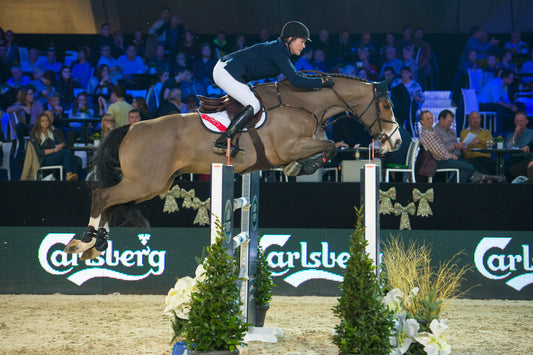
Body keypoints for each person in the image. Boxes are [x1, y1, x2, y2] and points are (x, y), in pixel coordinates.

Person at [211, 21, 334, 155]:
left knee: (258, 102)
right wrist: (321, 81)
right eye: (302, 41)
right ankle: (223, 141)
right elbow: (296, 80)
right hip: (225, 72)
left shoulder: (280, 50)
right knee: (254, 104)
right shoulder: (279, 52)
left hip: (232, 72)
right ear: (290, 39)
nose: (303, 46)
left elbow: (294, 78)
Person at [418, 110, 474, 183]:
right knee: (469, 168)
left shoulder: (431, 132)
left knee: (470, 164)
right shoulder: (428, 134)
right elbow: (438, 152)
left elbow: (440, 149)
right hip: (438, 161)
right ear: (422, 121)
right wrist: (450, 156)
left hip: (443, 158)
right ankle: (452, 187)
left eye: (431, 118)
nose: (430, 120)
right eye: (427, 119)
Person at [29, 112, 79, 181]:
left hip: (52, 156)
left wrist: (60, 145)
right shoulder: (36, 134)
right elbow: (39, 152)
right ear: (39, 122)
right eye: (43, 121)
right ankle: (68, 175)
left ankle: (70, 180)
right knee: (66, 152)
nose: (45, 122)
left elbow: (63, 142)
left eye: (47, 120)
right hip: (42, 159)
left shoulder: (50, 133)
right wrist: (54, 150)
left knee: (74, 160)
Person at [460, 111, 497, 176]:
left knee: (497, 167)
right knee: (480, 167)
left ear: (480, 119)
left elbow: (492, 143)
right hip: (472, 159)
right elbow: (464, 146)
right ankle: (488, 179)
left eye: (477, 118)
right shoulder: (464, 132)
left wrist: (479, 140)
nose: (475, 120)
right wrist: (481, 143)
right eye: (473, 118)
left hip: (486, 159)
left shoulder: (486, 132)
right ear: (469, 120)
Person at [505, 111, 533, 180]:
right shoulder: (511, 135)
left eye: (521, 121)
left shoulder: (531, 133)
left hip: (526, 159)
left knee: (512, 169)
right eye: (517, 121)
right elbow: (507, 148)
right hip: (513, 159)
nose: (519, 123)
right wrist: (515, 134)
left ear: (526, 122)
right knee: (502, 167)